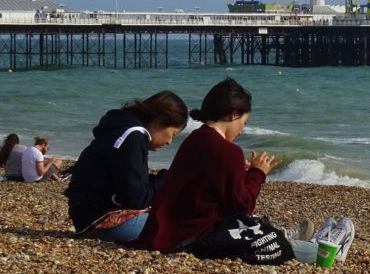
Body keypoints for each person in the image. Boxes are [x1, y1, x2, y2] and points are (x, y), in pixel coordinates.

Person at [137, 78, 354, 264]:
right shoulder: (227, 150)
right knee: (273, 242)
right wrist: (257, 174)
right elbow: (242, 207)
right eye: (244, 122)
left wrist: (238, 174)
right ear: (233, 115)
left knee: (260, 228)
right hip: (188, 238)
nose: (243, 130)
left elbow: (210, 190)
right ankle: (326, 251)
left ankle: (306, 241)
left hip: (160, 233)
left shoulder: (196, 139)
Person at [65, 90, 189, 242]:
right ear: (159, 122)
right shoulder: (132, 137)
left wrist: (161, 180)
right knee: (184, 228)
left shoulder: (123, 129)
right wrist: (165, 182)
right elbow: (135, 197)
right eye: (173, 134)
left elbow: (128, 183)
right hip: (101, 219)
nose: (170, 142)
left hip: (86, 213)